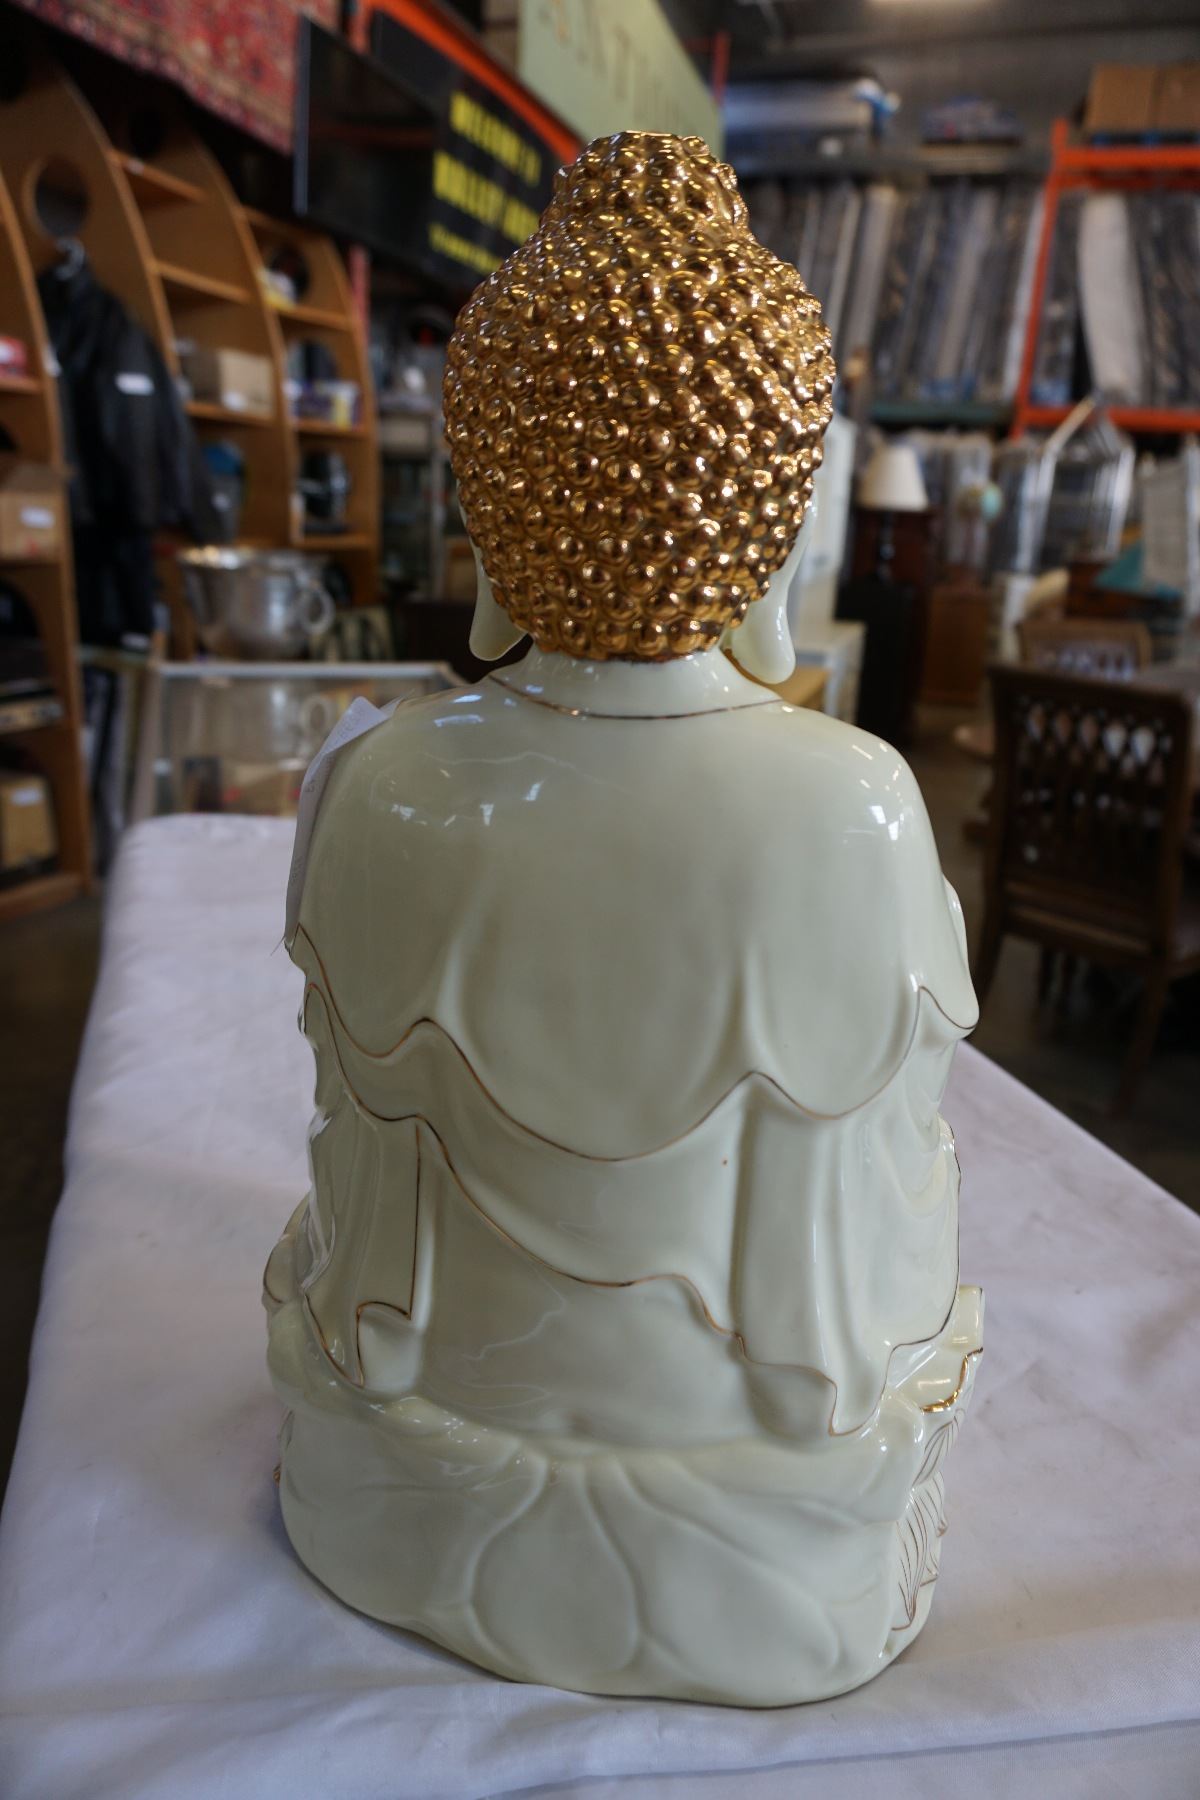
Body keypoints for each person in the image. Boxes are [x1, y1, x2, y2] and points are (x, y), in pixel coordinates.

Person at [265, 131, 981, 1706]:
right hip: (760, 1501)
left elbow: (365, 1240)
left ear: (488, 511)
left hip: (413, 1463)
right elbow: (855, 1268)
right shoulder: (851, 806)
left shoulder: (383, 785)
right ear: (776, 524)